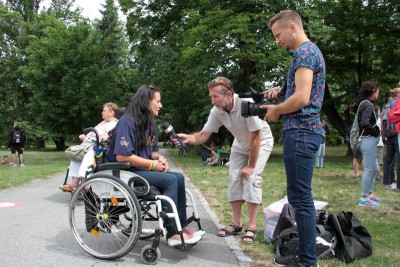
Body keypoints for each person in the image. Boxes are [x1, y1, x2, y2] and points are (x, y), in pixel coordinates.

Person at [175, 77, 274, 244]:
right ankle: (236, 224)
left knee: (252, 178)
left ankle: (252, 227)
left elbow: (256, 136)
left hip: (260, 141)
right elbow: (204, 135)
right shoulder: (217, 111)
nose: (212, 101)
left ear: (228, 93)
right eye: (211, 97)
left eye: (215, 97)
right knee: (233, 178)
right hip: (240, 144)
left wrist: (251, 166)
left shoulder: (246, 103)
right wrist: (189, 138)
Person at [263, 10, 326, 267]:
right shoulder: (307, 53)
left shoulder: (304, 52)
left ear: (292, 27)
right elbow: (300, 92)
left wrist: (276, 110)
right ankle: (303, 254)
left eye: (278, 35)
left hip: (301, 132)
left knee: (301, 200)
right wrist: (281, 91)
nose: (277, 41)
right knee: (299, 199)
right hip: (301, 132)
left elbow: (302, 99)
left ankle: (307, 261)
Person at [105, 85, 203, 247]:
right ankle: (172, 232)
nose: (161, 105)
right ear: (146, 102)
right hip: (124, 172)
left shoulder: (149, 123)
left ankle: (182, 225)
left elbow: (153, 152)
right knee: (170, 181)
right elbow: (122, 156)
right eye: (158, 101)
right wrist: (152, 165)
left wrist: (160, 160)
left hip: (139, 171)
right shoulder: (127, 123)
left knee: (178, 177)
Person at [59, 102, 119, 192]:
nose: (102, 113)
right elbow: (92, 132)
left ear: (112, 112)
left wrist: (102, 137)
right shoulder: (102, 123)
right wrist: (84, 135)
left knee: (87, 155)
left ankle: (85, 184)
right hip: (89, 145)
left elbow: (106, 137)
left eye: (104, 111)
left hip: (101, 147)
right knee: (77, 154)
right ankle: (74, 184)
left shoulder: (115, 124)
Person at [351, 81, 381, 207]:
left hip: (369, 140)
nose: (378, 94)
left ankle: (369, 193)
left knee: (375, 168)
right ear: (373, 92)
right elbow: (365, 123)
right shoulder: (368, 105)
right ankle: (364, 198)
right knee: (369, 169)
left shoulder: (365, 103)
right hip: (368, 139)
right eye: (378, 92)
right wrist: (375, 132)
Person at [382, 88, 400, 191]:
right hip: (396, 133)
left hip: (389, 134)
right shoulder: (396, 103)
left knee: (388, 159)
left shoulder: (387, 104)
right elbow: (391, 117)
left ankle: (387, 182)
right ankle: (397, 184)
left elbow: (385, 117)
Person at [375, 105, 383, 181]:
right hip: (378, 142)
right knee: (378, 160)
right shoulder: (379, 120)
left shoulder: (371, 119)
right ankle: (378, 176)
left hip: (372, 142)